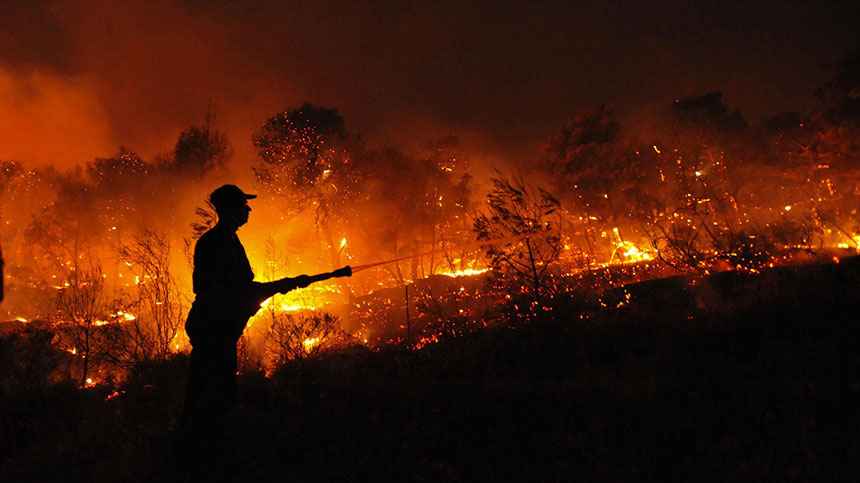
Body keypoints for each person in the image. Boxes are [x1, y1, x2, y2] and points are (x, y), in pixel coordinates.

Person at [177, 184, 310, 465]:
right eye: (241, 204)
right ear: (226, 209)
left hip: (216, 328)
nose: (247, 209)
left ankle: (191, 451)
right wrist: (280, 286)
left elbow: (240, 288)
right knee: (215, 394)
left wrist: (280, 286)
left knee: (206, 391)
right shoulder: (217, 243)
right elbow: (231, 289)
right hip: (214, 329)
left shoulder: (227, 240)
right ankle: (196, 456)